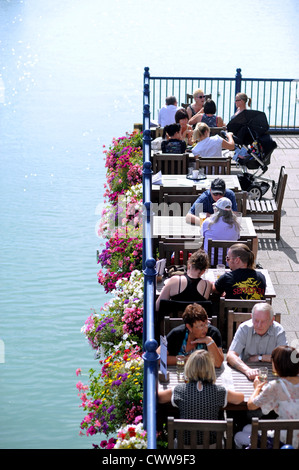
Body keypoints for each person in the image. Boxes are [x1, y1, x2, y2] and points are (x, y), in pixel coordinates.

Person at [158, 349, 244, 446]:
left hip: (184, 447)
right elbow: (240, 398)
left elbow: (159, 398)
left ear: (189, 367)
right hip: (213, 446)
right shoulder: (219, 391)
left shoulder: (179, 390)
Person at [236, 345, 299, 449]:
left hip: (282, 441)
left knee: (238, 435)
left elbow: (251, 406)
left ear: (277, 364)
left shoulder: (276, 385)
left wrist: (256, 388)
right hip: (294, 436)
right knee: (247, 428)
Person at [226, 303, 288, 380]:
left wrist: (260, 357)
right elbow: (230, 355)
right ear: (251, 317)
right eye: (256, 320)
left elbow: (284, 358)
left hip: (272, 374)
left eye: (263, 321)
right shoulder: (244, 328)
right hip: (246, 372)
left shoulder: (278, 330)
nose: (259, 325)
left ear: (272, 320)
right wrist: (247, 370)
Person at [156, 303, 224, 368]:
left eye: (206, 323)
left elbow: (218, 363)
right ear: (189, 327)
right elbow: (158, 358)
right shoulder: (177, 334)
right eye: (201, 325)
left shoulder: (213, 333)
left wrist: (209, 341)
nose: (205, 328)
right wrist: (185, 359)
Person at [201, 197, 240, 265]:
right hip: (230, 263)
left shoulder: (207, 223)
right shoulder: (236, 225)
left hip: (209, 262)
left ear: (216, 210)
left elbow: (202, 237)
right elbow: (238, 237)